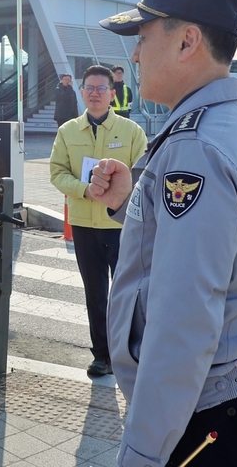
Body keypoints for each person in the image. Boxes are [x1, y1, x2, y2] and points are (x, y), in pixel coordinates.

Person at [87, 0, 237, 467]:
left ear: (187, 41)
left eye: (142, 37)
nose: (135, 56)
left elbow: (183, 320)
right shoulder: (229, 126)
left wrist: (142, 450)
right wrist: (131, 200)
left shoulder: (197, 144)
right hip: (234, 395)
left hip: (203, 411)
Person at [49, 65, 147, 377]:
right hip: (84, 225)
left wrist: (119, 193)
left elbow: (144, 175)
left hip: (121, 226)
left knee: (127, 294)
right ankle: (102, 355)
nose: (95, 93)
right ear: (81, 93)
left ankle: (128, 352)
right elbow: (57, 172)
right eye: (89, 88)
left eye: (101, 88)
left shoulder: (131, 131)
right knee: (95, 294)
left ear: (112, 94)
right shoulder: (67, 131)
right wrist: (85, 189)